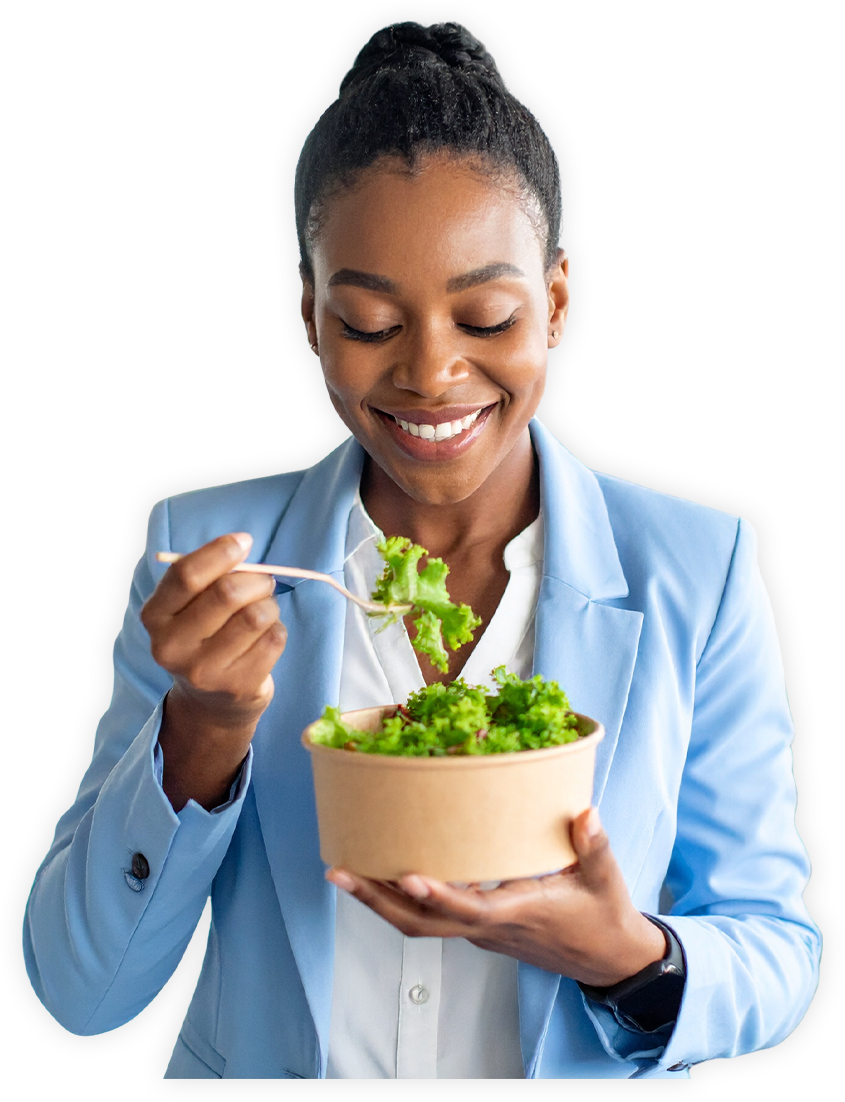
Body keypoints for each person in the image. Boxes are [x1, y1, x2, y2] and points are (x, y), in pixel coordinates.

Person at [22, 21, 820, 1079]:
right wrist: (198, 732)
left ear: (556, 305)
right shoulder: (205, 554)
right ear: (310, 318)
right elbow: (81, 990)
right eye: (366, 323)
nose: (431, 375)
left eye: (486, 315)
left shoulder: (699, 569)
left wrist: (621, 955)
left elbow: (774, 945)